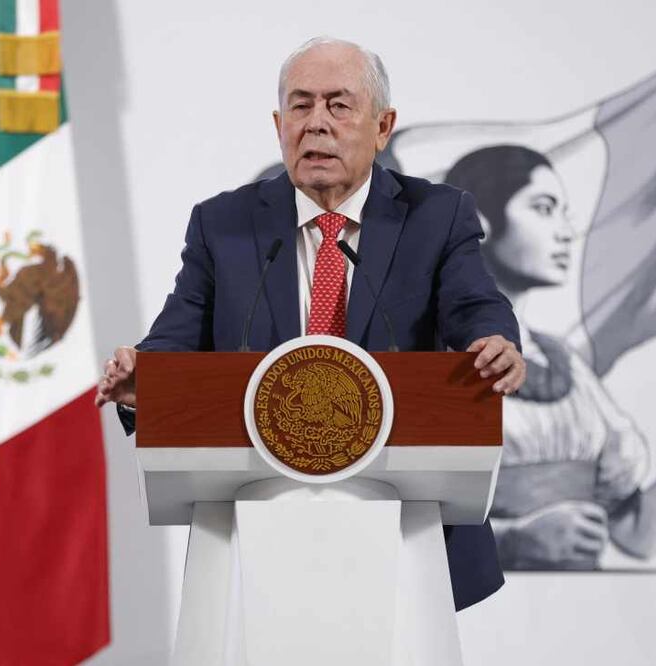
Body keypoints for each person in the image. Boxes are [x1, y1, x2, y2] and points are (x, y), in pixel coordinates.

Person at [96, 37, 526, 611]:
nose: (316, 124)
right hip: (256, 525)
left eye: (339, 105)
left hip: (403, 522)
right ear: (279, 124)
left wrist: (494, 342)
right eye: (300, 106)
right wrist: (143, 380)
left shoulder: (437, 214)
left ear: (383, 126)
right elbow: (175, 339)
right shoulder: (224, 224)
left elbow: (476, 306)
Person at [444, 145, 656, 570]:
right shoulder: (429, 355)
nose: (567, 231)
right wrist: (511, 543)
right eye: (544, 208)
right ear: (477, 225)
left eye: (564, 211)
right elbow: (400, 526)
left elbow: (635, 535)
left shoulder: (564, 365)